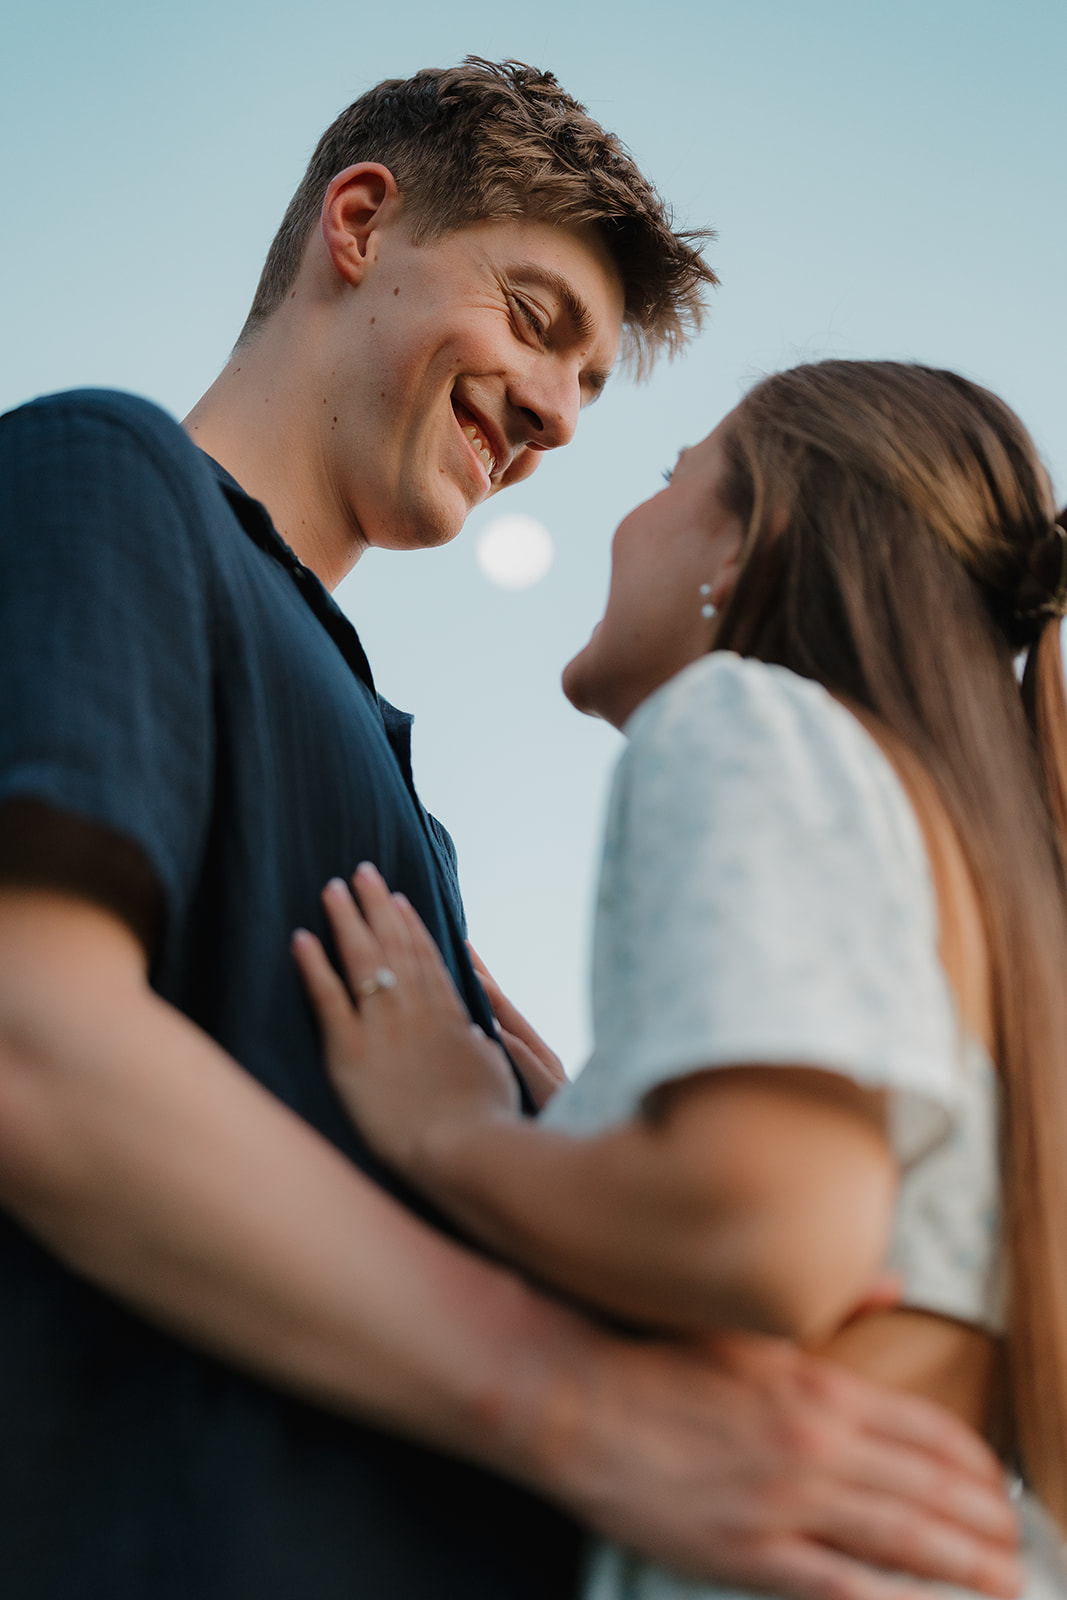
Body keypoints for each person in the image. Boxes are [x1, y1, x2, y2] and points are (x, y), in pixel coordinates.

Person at [0, 50, 1017, 1597]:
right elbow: (29, 1040)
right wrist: (577, 1401)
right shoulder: (109, 479)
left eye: (594, 389)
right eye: (537, 320)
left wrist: (572, 1135)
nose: (550, 411)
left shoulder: (408, 792)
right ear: (359, 222)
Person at [291, 359, 1067, 1597]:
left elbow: (772, 1230)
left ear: (751, 540)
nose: (630, 512)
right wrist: (594, 1119)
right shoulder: (1001, 898)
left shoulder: (737, 718)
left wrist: (458, 1129)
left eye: (672, 476)